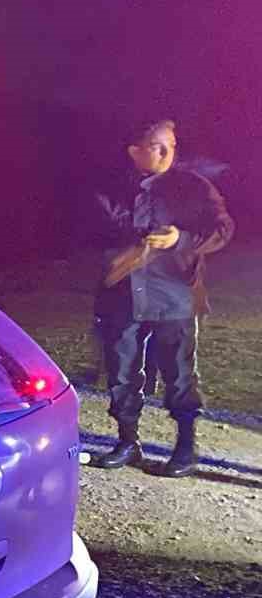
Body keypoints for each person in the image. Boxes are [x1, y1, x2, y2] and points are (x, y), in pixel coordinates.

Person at [91, 119, 233, 477]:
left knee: (180, 373)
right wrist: (129, 246)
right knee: (121, 372)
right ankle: (127, 442)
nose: (168, 152)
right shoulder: (110, 187)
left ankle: (185, 447)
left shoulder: (193, 187)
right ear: (134, 151)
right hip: (122, 294)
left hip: (174, 295)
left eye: (171, 144)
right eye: (157, 145)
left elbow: (222, 228)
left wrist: (180, 239)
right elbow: (96, 229)